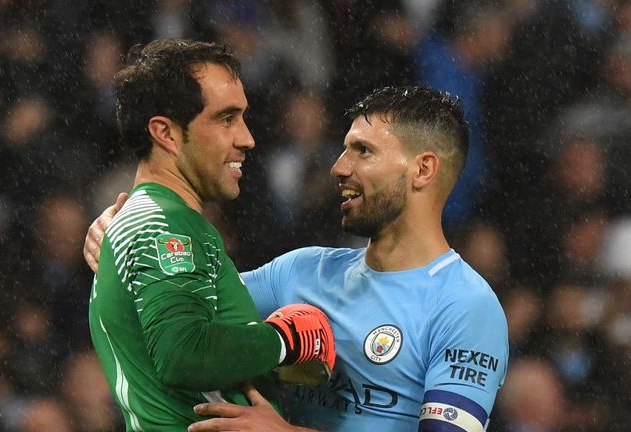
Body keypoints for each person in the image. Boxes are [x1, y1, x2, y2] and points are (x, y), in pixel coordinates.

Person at [85, 86, 509, 431]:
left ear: (423, 170)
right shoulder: (302, 271)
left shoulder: (465, 307)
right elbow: (183, 314)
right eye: (344, 150)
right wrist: (127, 236)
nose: (338, 168)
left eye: (363, 151)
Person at [87, 38, 334, 432]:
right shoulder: (166, 225)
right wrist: (283, 341)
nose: (246, 138)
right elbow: (182, 352)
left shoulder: (144, 222)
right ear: (165, 133)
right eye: (226, 119)